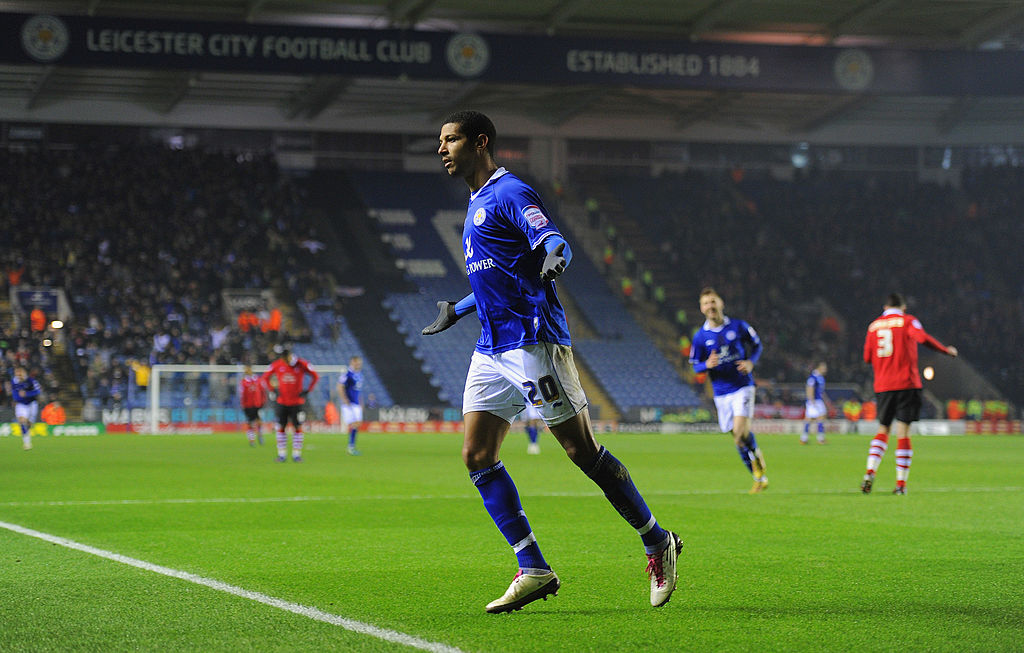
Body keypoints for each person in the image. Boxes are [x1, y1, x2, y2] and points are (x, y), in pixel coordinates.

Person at [423, 110, 681, 613]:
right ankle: (533, 567)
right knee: (477, 456)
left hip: (531, 343)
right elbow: (498, 275)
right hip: (490, 347)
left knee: (582, 452)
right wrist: (458, 308)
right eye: (440, 141)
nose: (441, 149)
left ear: (480, 143)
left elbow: (551, 242)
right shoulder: (477, 203)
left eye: (450, 140)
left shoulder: (509, 192)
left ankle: (657, 541)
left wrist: (556, 255)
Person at [861, 293, 958, 495]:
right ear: (903, 307)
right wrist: (944, 350)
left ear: (885, 306)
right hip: (906, 383)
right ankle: (901, 485)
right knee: (903, 432)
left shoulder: (873, 326)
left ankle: (870, 472)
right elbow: (922, 338)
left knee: (883, 429)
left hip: (883, 386)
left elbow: (867, 357)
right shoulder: (908, 321)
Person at [689, 288, 769, 493]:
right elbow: (695, 365)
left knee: (740, 432)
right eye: (706, 303)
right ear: (701, 308)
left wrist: (751, 362)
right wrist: (706, 364)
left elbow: (757, 346)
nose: (710, 306)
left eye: (713, 301)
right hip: (721, 392)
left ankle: (758, 472)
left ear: (721, 303)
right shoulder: (700, 337)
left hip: (742, 386)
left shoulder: (738, 326)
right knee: (737, 438)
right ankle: (758, 473)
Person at [261, 344, 319, 462]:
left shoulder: (301, 364)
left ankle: (296, 454)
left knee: (297, 427)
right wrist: (273, 390)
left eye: (285, 357)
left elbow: (315, 376)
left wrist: (308, 390)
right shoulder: (277, 364)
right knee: (281, 427)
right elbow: (265, 377)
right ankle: (281, 454)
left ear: (289, 355)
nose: (283, 360)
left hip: (297, 402)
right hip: (282, 402)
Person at [11, 366, 42, 450]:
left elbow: (38, 391)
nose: (18, 375)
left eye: (20, 373)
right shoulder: (14, 381)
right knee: (21, 421)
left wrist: (27, 394)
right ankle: (27, 443)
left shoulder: (31, 381)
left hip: (32, 404)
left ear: (24, 373)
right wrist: (17, 398)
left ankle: (27, 430)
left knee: (28, 424)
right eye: (17, 373)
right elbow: (14, 392)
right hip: (21, 404)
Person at [338, 356, 364, 456]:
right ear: (352, 362)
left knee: (357, 424)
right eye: (357, 362)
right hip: (349, 404)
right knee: (355, 424)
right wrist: (344, 399)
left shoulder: (359, 375)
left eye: (360, 363)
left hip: (356, 404)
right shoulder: (347, 374)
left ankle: (351, 446)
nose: (359, 364)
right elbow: (340, 386)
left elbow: (358, 391)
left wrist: (360, 402)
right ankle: (351, 447)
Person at [801, 362, 829, 445]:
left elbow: (821, 391)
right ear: (819, 367)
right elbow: (809, 388)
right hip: (814, 401)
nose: (825, 369)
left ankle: (820, 438)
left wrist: (825, 399)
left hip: (819, 400)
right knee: (809, 419)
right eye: (824, 367)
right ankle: (804, 438)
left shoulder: (821, 378)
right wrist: (811, 400)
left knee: (821, 417)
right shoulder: (813, 377)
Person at [239, 364, 267, 447]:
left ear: (251, 369)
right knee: (250, 423)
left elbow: (263, 391)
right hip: (248, 405)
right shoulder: (244, 382)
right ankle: (252, 440)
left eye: (247, 369)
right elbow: (242, 394)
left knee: (259, 421)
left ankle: (260, 435)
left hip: (258, 404)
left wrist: (263, 401)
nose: (246, 371)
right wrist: (243, 404)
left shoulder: (258, 379)